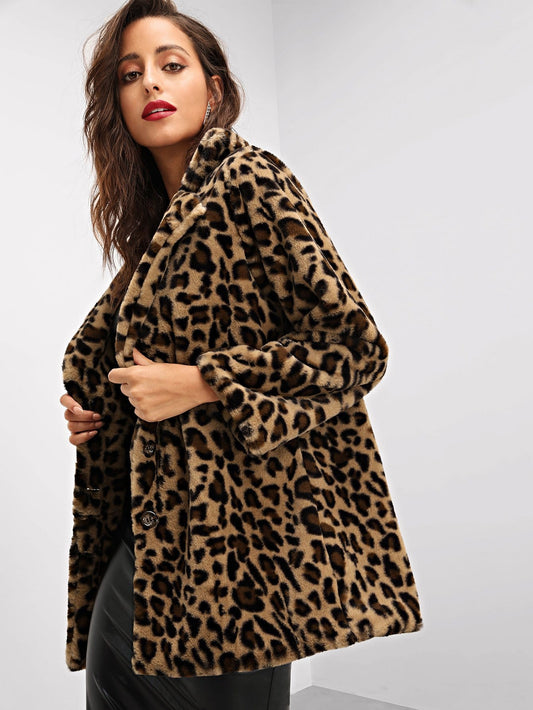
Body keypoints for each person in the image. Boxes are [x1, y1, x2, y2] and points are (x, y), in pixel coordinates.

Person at [59, 1, 423, 708]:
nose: (150, 83)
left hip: (245, 554)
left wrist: (205, 382)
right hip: (155, 540)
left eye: (171, 65)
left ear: (214, 89)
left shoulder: (252, 181)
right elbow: (146, 376)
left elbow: (353, 348)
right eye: (130, 74)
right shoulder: (158, 225)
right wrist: (101, 412)